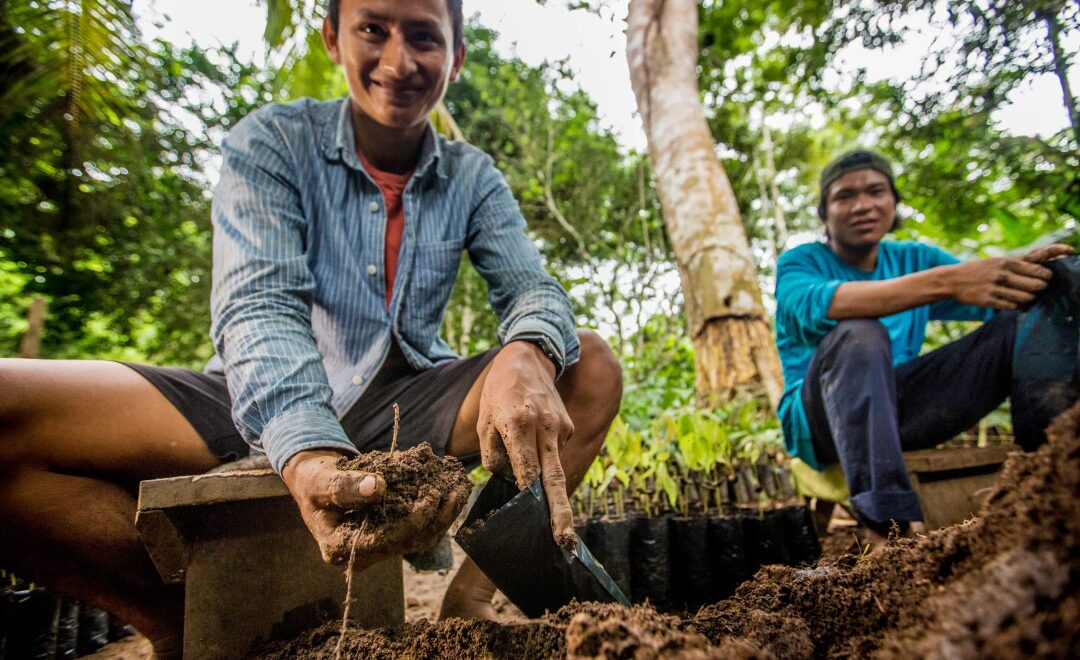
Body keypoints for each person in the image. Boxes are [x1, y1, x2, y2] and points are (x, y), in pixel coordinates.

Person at [0, 0, 622, 656]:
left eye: (423, 37)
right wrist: (306, 451)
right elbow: (258, 308)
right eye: (373, 30)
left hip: (406, 406)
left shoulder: (472, 177)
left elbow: (530, 287)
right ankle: (170, 614)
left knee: (589, 365)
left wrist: (525, 350)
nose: (397, 61)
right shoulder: (271, 142)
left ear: (456, 57)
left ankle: (466, 598)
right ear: (333, 38)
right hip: (254, 393)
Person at [774, 150, 1077, 547]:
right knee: (859, 333)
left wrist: (1026, 276)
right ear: (824, 212)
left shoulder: (916, 258)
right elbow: (817, 306)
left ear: (893, 202)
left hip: (903, 409)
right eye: (844, 196)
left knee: (1050, 295)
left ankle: (1050, 477)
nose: (862, 205)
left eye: (875, 191)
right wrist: (948, 281)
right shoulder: (800, 263)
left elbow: (993, 297)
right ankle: (887, 530)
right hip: (824, 424)